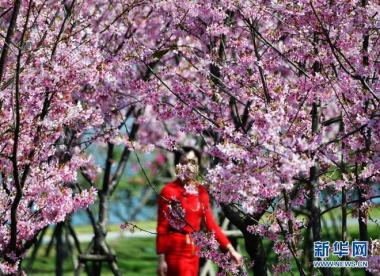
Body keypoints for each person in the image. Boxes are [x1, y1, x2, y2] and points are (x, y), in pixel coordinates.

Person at [156, 148, 242, 276]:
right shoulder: (169, 191)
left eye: (193, 162)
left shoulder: (201, 191)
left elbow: (210, 225)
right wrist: (161, 259)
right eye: (184, 162)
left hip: (194, 250)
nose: (188, 167)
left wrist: (230, 249)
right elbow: (162, 227)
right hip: (175, 250)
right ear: (177, 166)